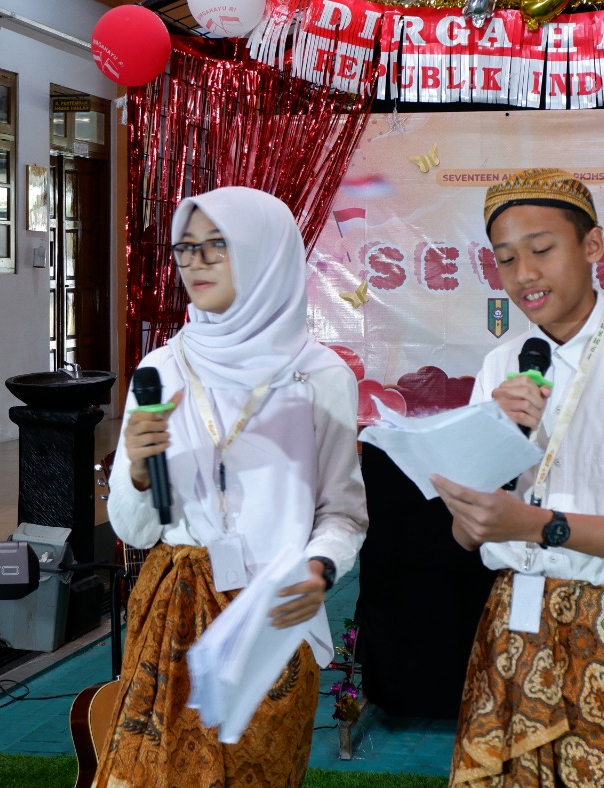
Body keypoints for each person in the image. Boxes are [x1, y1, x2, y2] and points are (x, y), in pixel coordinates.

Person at [430, 169, 604, 786]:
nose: (523, 274)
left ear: (592, 246)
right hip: (512, 617)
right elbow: (466, 535)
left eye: (540, 249)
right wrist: (487, 464)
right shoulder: (502, 366)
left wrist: (539, 525)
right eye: (505, 258)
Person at [96, 186, 367, 787]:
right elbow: (133, 528)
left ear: (264, 253)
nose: (196, 263)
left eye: (217, 246)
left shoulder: (319, 375)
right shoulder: (162, 369)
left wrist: (319, 569)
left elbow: (344, 514)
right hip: (171, 603)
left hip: (268, 613)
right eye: (186, 249)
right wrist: (139, 472)